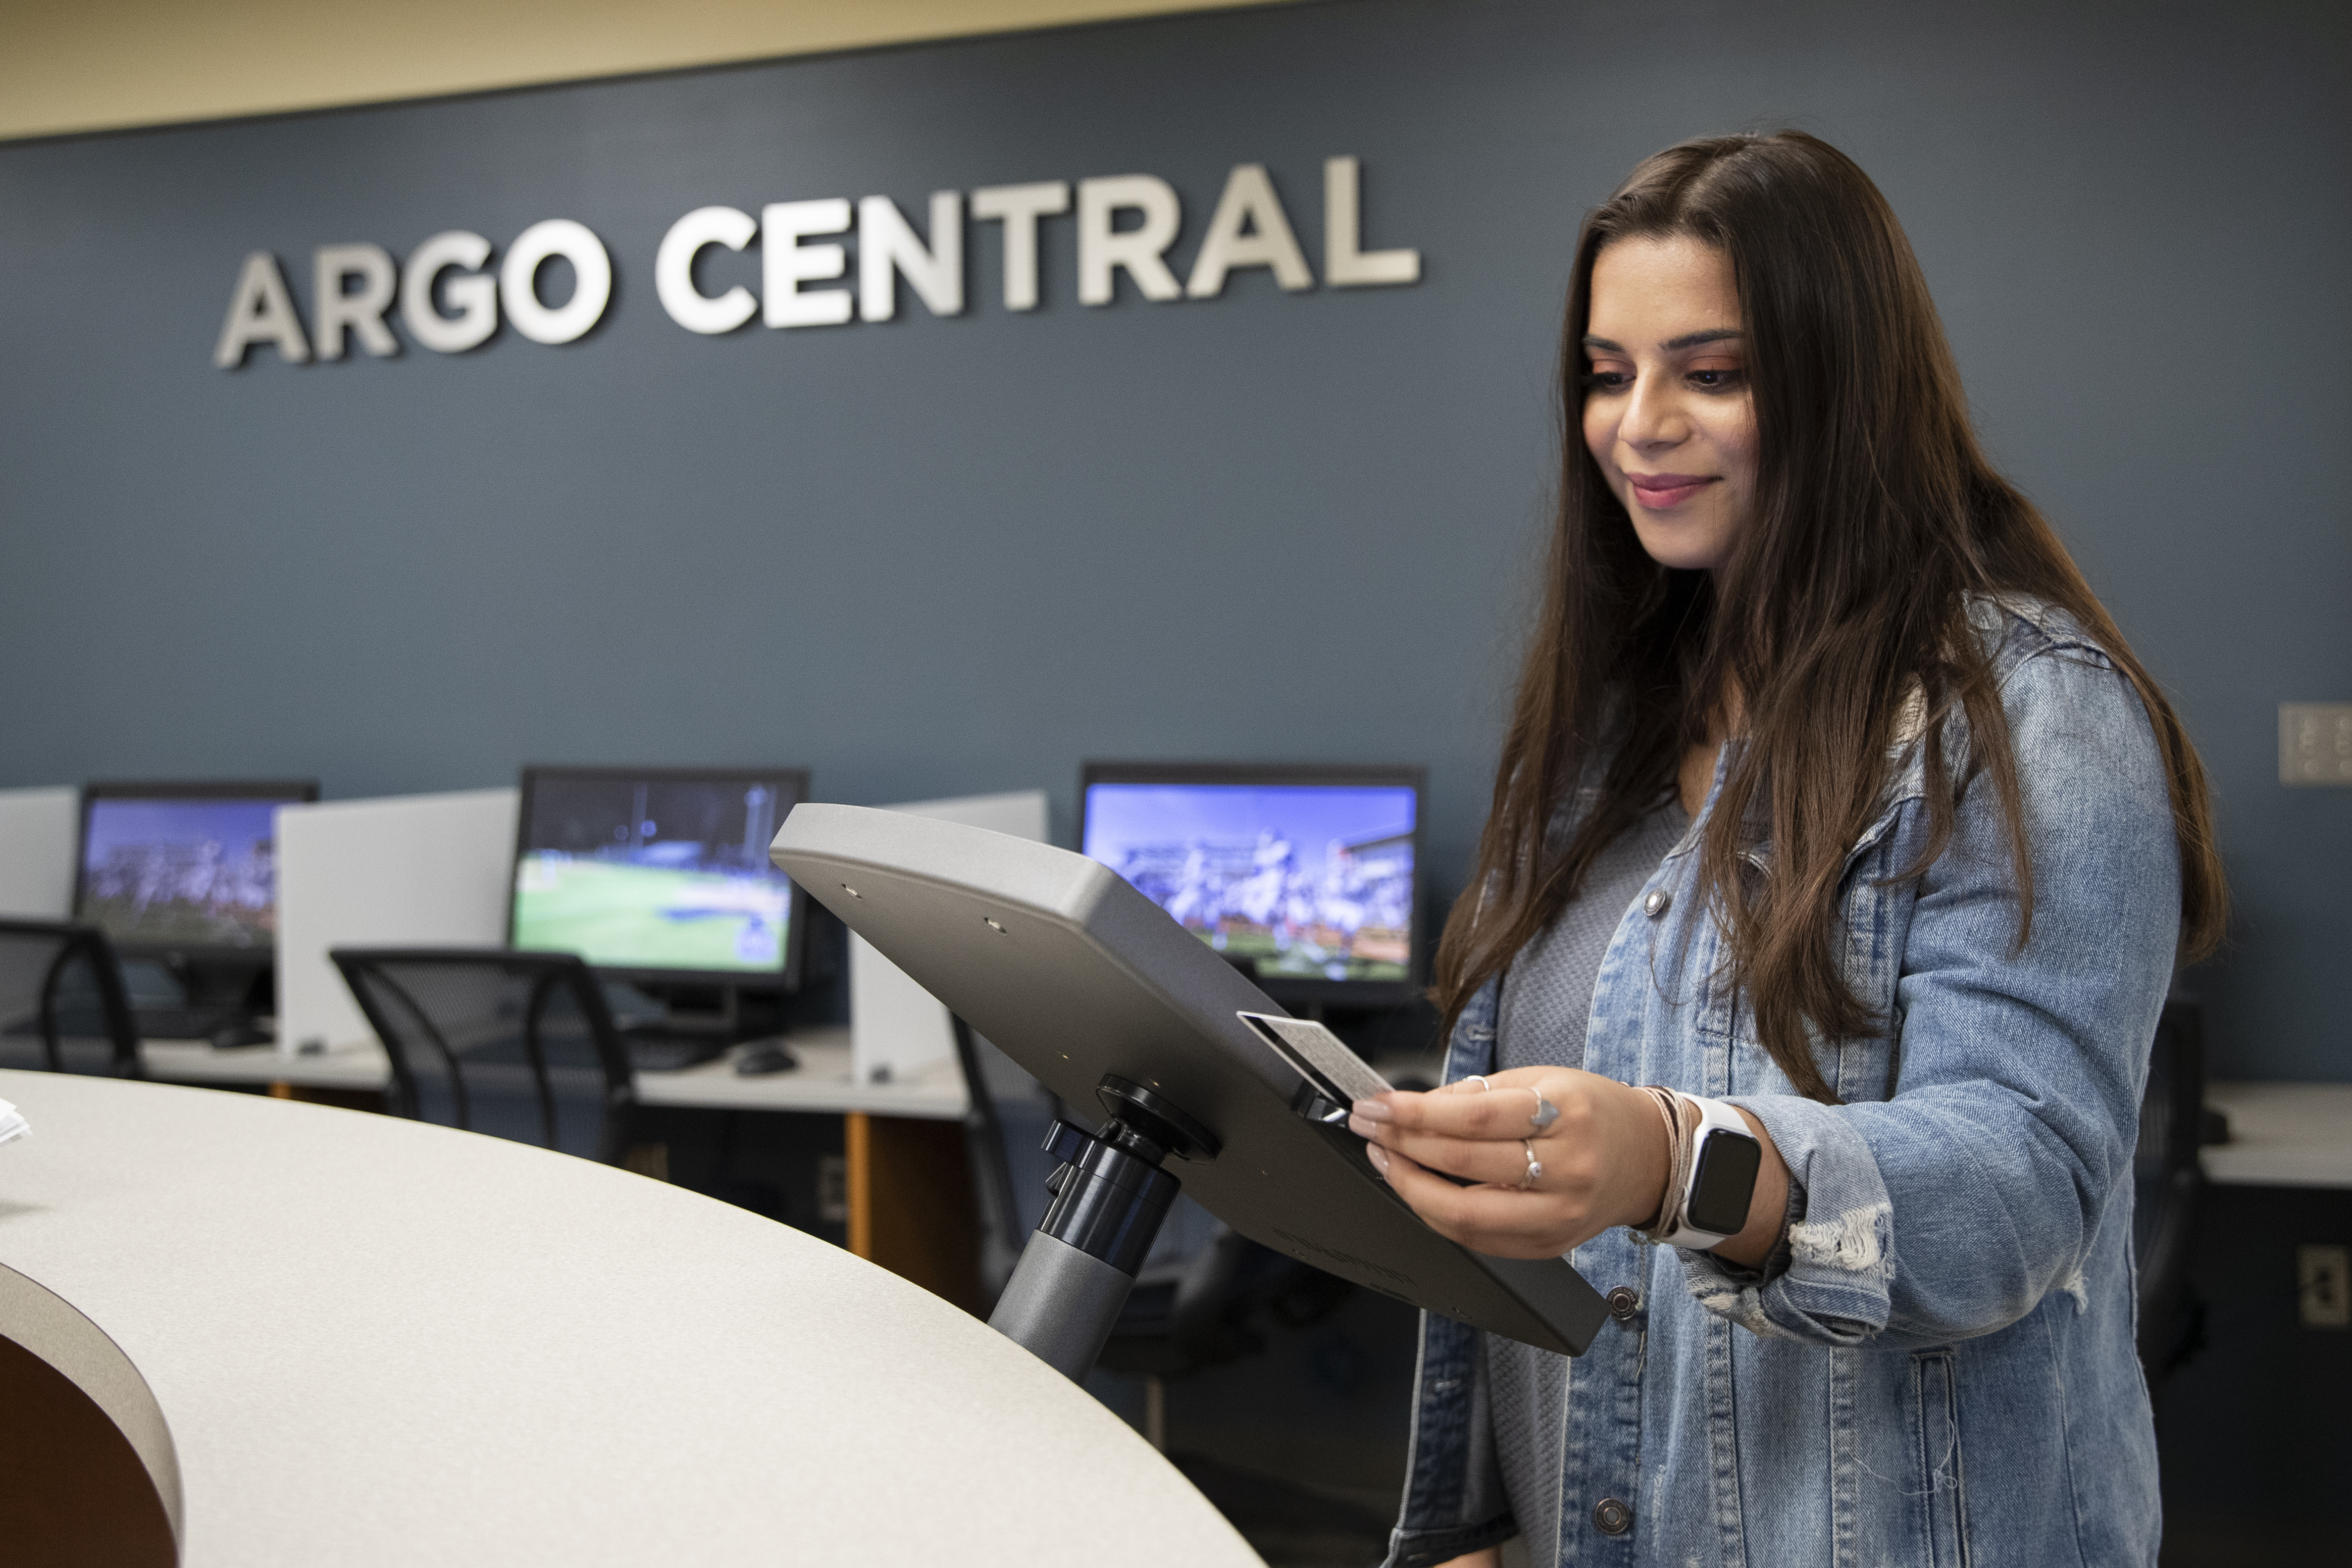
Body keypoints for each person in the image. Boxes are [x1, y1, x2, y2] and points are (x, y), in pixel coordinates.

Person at [1359, 131, 2223, 1568]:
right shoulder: (1616, 724)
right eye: (1605, 372)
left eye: (1713, 372)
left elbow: (2016, 1185)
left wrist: (1670, 1159)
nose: (1640, 424)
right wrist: (1485, 1514)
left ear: (1842, 386)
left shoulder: (2027, 712)